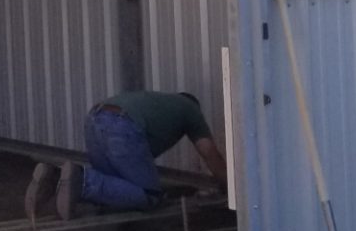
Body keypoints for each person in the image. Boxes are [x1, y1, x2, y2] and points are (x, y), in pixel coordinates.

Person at [25, 90, 227, 219]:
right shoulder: (191, 109)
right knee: (150, 196)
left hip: (95, 118)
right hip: (121, 125)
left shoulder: (161, 102)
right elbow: (209, 152)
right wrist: (229, 187)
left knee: (112, 186)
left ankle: (55, 176)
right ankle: (83, 180)